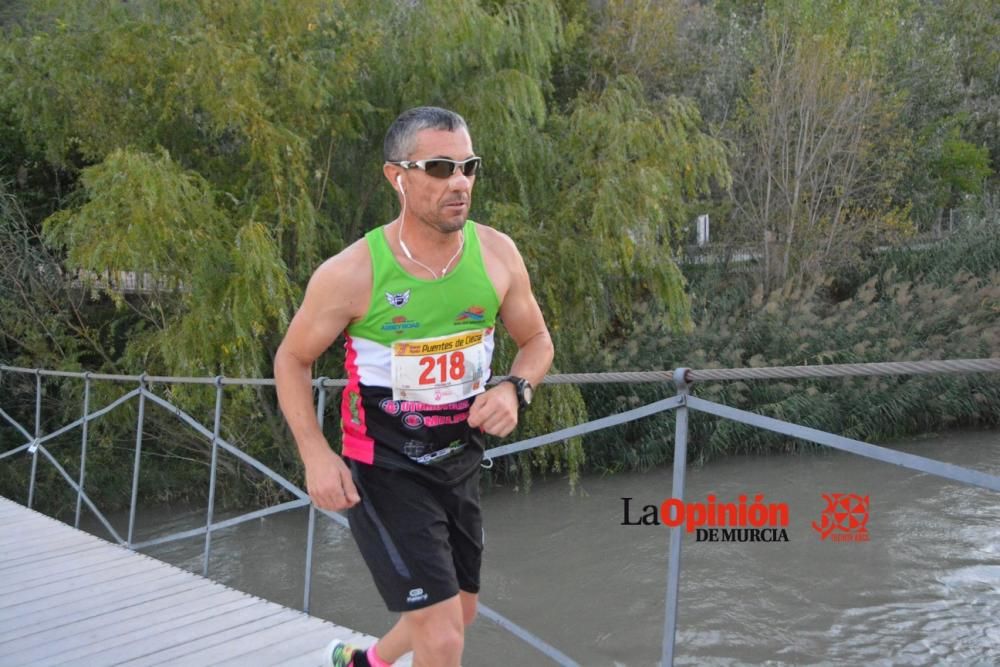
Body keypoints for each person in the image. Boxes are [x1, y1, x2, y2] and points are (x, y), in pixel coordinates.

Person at [274, 106, 554, 667]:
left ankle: (365, 662)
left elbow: (538, 340)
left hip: (459, 462)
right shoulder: (352, 272)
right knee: (444, 635)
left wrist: (513, 389)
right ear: (396, 176)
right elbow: (292, 359)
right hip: (383, 469)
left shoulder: (498, 254)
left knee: (460, 611)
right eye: (440, 167)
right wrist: (315, 455)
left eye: (468, 167)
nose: (459, 182)